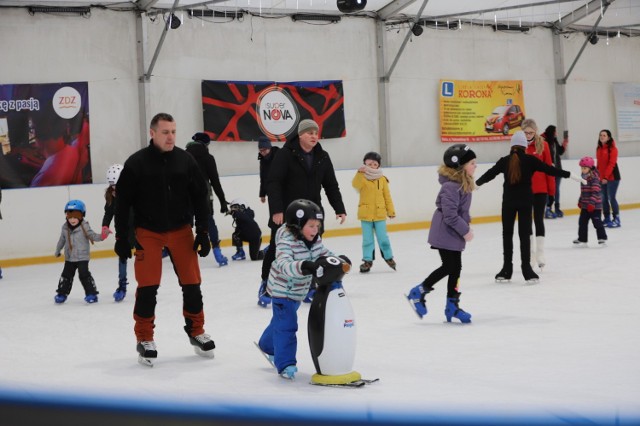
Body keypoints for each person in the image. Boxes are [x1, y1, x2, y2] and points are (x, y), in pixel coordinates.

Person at [114, 113, 215, 364]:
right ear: (153, 133)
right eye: (165, 132)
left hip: (181, 230)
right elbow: (122, 203)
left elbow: (201, 196)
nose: (170, 137)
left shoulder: (185, 160)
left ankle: (197, 332)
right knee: (148, 287)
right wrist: (122, 236)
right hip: (148, 232)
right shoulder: (136, 163)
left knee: (192, 284)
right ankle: (144, 337)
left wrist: (202, 230)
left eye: (173, 131)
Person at [258, 119, 347, 307]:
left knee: (313, 249)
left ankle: (310, 286)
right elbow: (273, 182)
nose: (314, 136)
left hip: (313, 215)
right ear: (300, 135)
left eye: (316, 132)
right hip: (288, 214)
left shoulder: (322, 156)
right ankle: (266, 283)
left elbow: (331, 185)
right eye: (309, 133)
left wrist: (339, 208)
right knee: (277, 250)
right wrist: (276, 210)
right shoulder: (285, 155)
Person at [256, 199, 349, 380]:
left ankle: (266, 345)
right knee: (287, 326)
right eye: (311, 225)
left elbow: (322, 253)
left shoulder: (314, 239)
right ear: (297, 225)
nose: (315, 230)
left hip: (298, 290)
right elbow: (283, 264)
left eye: (318, 226)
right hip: (282, 289)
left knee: (281, 320)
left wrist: (338, 260)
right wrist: (305, 266)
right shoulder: (285, 241)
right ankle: (285, 364)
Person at [475, 131, 574, 283]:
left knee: (507, 235)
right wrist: (570, 174)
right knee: (524, 236)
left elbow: (490, 174)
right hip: (525, 203)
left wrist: (476, 184)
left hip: (508, 203)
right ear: (525, 146)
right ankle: (526, 269)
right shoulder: (530, 160)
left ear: (512, 146)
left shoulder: (505, 160)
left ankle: (506, 269)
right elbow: (550, 169)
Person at [406, 144, 476, 323]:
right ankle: (418, 291)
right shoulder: (451, 187)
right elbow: (451, 215)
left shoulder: (463, 184)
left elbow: (460, 212)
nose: (475, 166)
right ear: (460, 166)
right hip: (446, 232)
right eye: (472, 163)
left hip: (453, 232)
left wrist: (466, 223)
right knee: (449, 267)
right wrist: (466, 230)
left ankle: (452, 306)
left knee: (455, 268)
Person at [186, 132, 230, 266]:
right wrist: (223, 201)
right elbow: (215, 182)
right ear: (206, 144)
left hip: (185, 193)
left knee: (186, 223)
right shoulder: (208, 157)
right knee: (208, 221)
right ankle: (217, 251)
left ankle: (183, 253)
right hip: (203, 194)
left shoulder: (183, 155)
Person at [54, 199, 106, 304]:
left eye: (75, 217)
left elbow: (92, 235)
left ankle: (91, 294)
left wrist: (102, 236)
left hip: (82, 256)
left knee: (84, 274)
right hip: (69, 257)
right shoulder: (65, 228)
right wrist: (58, 250)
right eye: (70, 217)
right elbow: (62, 240)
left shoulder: (84, 226)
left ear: (81, 216)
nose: (72, 220)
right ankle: (62, 293)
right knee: (66, 275)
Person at [352, 151, 396, 273]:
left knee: (383, 238)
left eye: (375, 164)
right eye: (369, 163)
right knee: (367, 240)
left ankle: (388, 257)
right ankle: (367, 261)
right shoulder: (361, 177)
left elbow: (387, 196)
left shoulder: (382, 179)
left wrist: (390, 211)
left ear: (378, 166)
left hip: (379, 214)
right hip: (365, 214)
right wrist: (359, 173)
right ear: (364, 163)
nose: (372, 166)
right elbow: (355, 185)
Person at [522, 119, 554, 270]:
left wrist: (552, 192)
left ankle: (540, 254)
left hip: (540, 190)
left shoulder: (544, 145)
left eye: (531, 132)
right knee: (526, 222)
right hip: (525, 191)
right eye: (525, 132)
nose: (528, 135)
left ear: (535, 131)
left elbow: (549, 170)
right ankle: (530, 254)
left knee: (538, 221)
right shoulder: (518, 147)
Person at [102, 163, 135, 302]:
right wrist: (105, 225)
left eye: (117, 185)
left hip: (138, 230)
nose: (115, 188)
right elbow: (108, 213)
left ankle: (146, 285)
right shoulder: (112, 196)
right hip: (122, 233)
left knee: (143, 258)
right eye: (113, 186)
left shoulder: (135, 191)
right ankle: (122, 286)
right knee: (122, 258)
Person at [573, 156, 608, 247]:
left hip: (595, 206)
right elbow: (583, 191)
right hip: (585, 206)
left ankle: (602, 238)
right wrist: (580, 200)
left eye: (584, 168)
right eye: (581, 168)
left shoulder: (594, 178)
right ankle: (582, 239)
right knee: (582, 222)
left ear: (590, 168)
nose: (582, 170)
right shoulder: (583, 178)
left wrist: (592, 203)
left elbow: (595, 192)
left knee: (597, 222)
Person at [596, 129, 621, 228]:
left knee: (611, 198)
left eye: (604, 135)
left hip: (613, 178)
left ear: (609, 137)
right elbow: (599, 164)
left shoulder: (613, 149)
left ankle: (616, 219)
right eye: (601, 135)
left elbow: (612, 164)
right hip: (602, 178)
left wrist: (606, 176)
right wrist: (597, 175)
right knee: (603, 199)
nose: (602, 137)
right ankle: (607, 218)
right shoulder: (599, 148)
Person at [541, 125, 568, 218]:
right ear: (551, 131)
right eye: (555, 131)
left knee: (556, 189)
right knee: (549, 190)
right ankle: (547, 209)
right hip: (548, 169)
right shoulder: (543, 140)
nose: (556, 133)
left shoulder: (554, 140)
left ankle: (557, 208)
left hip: (557, 169)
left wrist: (565, 142)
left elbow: (560, 152)